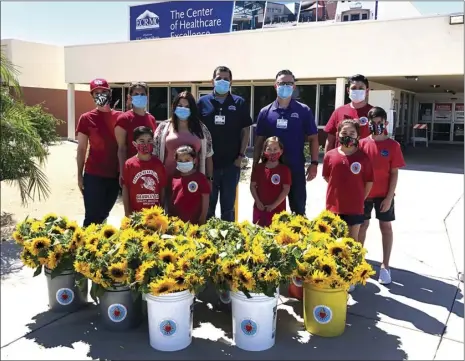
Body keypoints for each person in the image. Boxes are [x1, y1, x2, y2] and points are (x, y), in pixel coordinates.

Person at [253, 69, 319, 216]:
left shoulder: (303, 111)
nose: (285, 86)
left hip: (295, 168)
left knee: (298, 212)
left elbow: (313, 138)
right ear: (275, 85)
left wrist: (314, 163)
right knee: (270, 210)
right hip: (271, 169)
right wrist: (255, 167)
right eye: (282, 83)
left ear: (294, 87)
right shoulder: (265, 112)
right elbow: (259, 142)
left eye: (289, 83)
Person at [197, 65, 252, 221]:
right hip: (209, 165)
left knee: (228, 209)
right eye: (219, 78)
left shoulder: (239, 102)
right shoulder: (202, 102)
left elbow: (245, 131)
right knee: (208, 206)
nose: (222, 81)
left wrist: (240, 156)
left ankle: (228, 242)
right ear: (212, 81)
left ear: (231, 81)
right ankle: (207, 241)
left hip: (231, 165)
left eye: (226, 79)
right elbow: (195, 130)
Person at [359, 107, 406, 285]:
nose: (376, 126)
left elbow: (394, 173)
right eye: (373, 123)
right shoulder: (362, 144)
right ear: (368, 123)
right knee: (361, 227)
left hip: (384, 195)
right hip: (364, 195)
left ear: (385, 123)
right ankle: (358, 263)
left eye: (380, 123)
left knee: (385, 227)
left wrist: (388, 198)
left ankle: (385, 266)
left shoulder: (393, 146)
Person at [153, 91, 214, 207]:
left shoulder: (201, 129)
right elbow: (155, 155)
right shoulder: (163, 127)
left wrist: (209, 179)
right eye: (180, 106)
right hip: (167, 181)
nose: (183, 109)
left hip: (193, 182)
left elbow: (208, 155)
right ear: (174, 107)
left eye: (187, 106)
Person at [76, 78, 121, 227]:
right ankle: (86, 248)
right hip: (93, 176)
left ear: (109, 93)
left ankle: (100, 247)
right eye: (96, 93)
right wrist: (79, 176)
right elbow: (81, 149)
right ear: (92, 96)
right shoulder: (86, 119)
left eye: (103, 91)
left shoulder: (120, 118)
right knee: (91, 219)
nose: (100, 95)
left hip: (114, 177)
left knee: (103, 216)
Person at [322, 119, 374, 241]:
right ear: (337, 135)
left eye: (352, 133)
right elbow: (327, 176)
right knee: (333, 239)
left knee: (351, 239)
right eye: (344, 133)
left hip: (354, 207)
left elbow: (369, 181)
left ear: (358, 136)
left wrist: (361, 198)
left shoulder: (363, 157)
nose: (348, 136)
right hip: (334, 206)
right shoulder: (330, 155)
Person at [115, 82, 156, 187]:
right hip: (132, 169)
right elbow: (121, 148)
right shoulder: (124, 119)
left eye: (142, 94)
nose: (139, 96)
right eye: (136, 94)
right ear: (130, 97)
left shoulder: (151, 119)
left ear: (147, 97)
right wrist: (123, 172)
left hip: (149, 169)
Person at [122, 126, 167, 216]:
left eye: (149, 141)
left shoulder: (158, 164)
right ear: (134, 144)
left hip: (155, 214)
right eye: (142, 141)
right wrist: (127, 211)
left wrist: (161, 209)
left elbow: (162, 188)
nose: (146, 144)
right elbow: (125, 188)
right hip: (135, 214)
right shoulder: (129, 164)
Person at [324, 74, 373, 153]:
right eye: (353, 88)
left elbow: (380, 140)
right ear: (348, 90)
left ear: (367, 91)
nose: (357, 91)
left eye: (361, 88)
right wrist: (327, 161)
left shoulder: (373, 113)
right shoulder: (338, 111)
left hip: (366, 160)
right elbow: (330, 140)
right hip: (342, 160)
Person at [250, 136, 291, 227]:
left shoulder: (284, 170)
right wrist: (258, 202)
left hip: (277, 211)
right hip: (260, 209)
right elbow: (252, 186)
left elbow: (286, 189)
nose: (272, 152)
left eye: (275, 149)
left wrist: (273, 205)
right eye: (269, 149)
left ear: (281, 151)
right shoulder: (259, 168)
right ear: (264, 151)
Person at [170, 145, 211, 225]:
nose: (184, 163)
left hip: (195, 223)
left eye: (187, 160)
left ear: (194, 160)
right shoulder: (175, 177)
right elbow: (173, 198)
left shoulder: (200, 178)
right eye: (180, 161)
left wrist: (202, 218)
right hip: (177, 223)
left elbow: (206, 199)